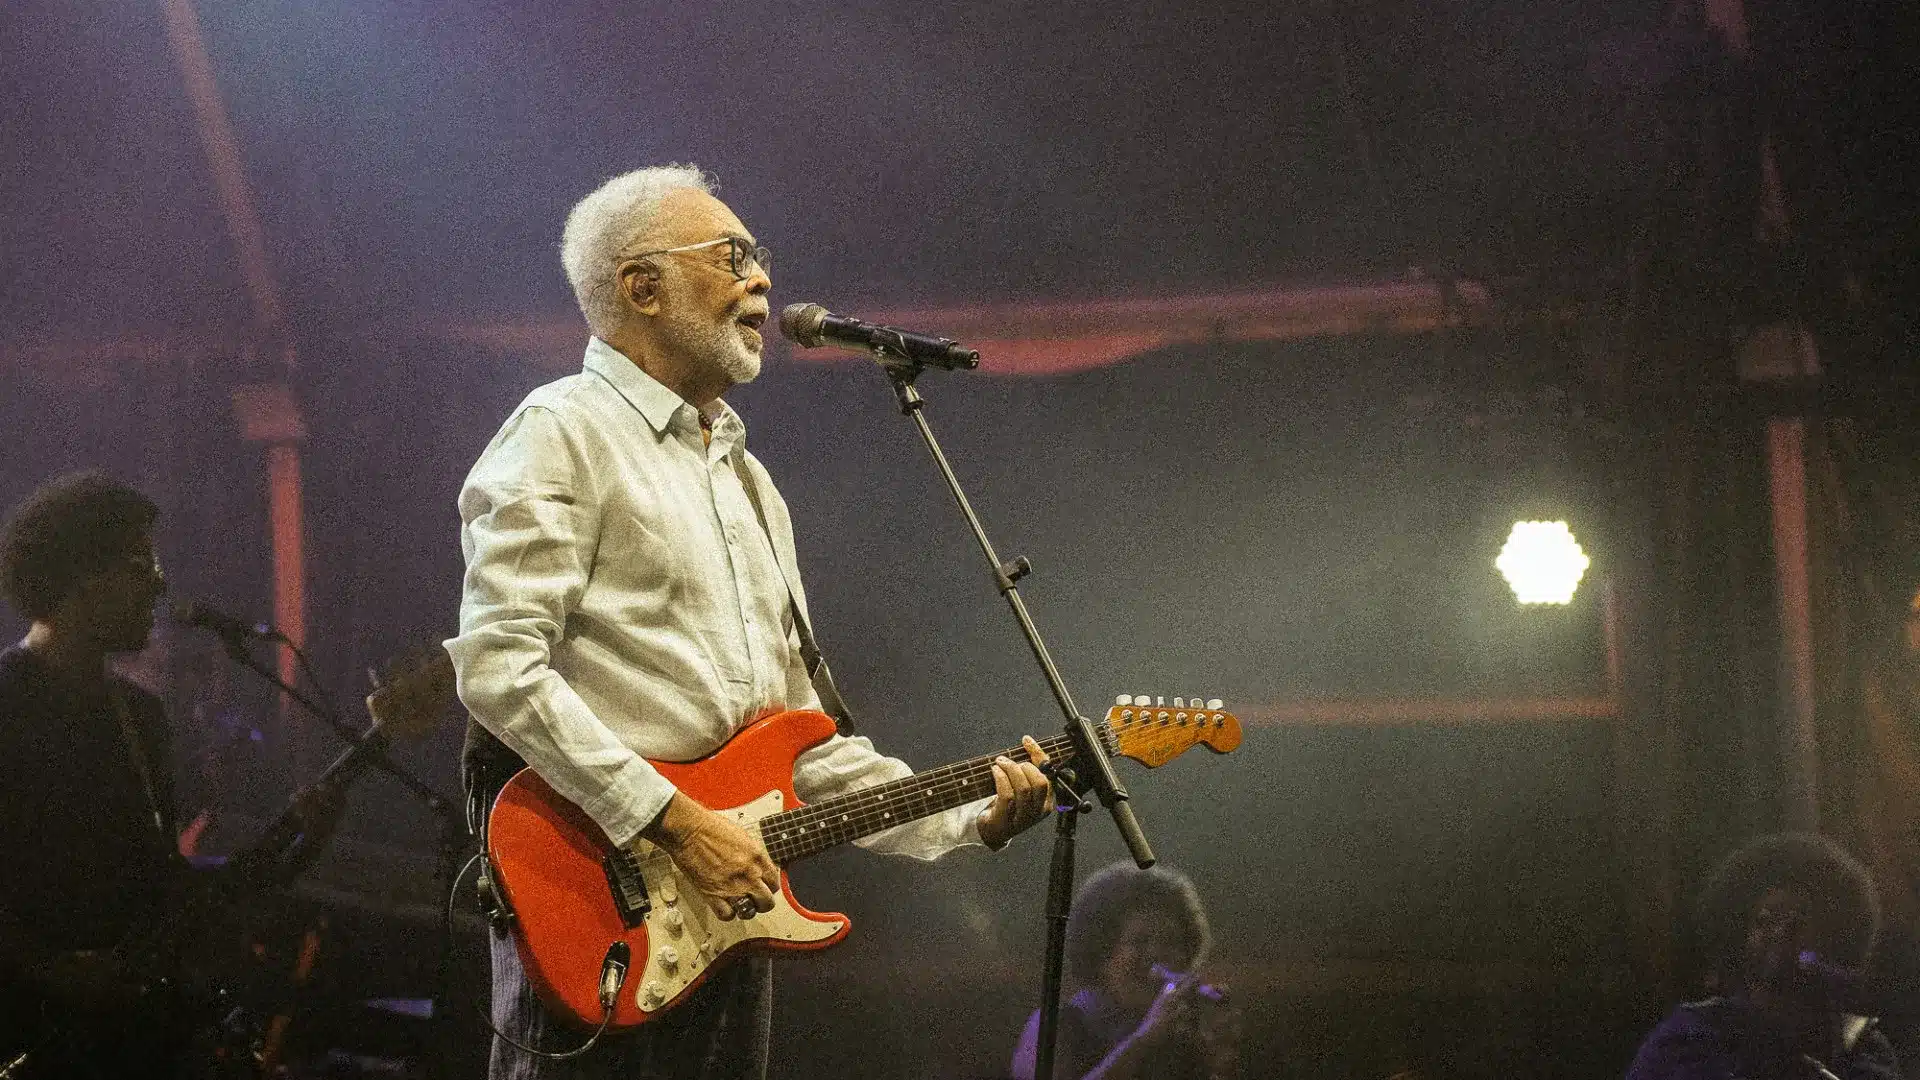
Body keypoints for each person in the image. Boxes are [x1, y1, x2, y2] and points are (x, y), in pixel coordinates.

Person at [447, 164, 1055, 1080]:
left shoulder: (749, 481)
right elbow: (497, 668)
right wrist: (680, 825)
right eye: (732, 256)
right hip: (593, 906)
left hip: (724, 921)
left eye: (758, 257)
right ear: (640, 287)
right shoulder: (560, 432)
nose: (762, 278)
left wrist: (973, 815)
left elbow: (797, 737)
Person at [1625, 832, 1903, 1080]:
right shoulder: (1689, 1038)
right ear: (1740, 936)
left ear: (1832, 939)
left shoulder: (1861, 1048)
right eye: (1766, 920)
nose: (1780, 932)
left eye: (1796, 922)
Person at [1009, 861, 1239, 1080]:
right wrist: (1144, 1039)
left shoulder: (1181, 1035)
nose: (1156, 954)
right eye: (1140, 941)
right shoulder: (1053, 1026)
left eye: (1170, 942)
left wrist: (1217, 1058)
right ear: (1102, 952)